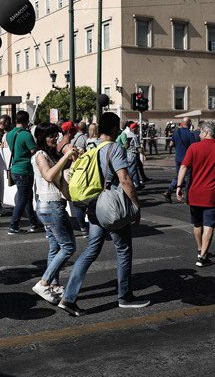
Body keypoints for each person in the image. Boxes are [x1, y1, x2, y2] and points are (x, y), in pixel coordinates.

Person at [59, 112, 148, 316]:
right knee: (123, 249)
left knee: (91, 249)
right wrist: (136, 206)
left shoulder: (91, 146)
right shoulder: (114, 147)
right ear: (116, 129)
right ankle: (125, 297)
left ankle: (68, 297)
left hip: (93, 205)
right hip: (110, 206)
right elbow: (124, 179)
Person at [31, 122, 79, 304]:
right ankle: (44, 283)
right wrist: (66, 156)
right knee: (68, 247)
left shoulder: (51, 154)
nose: (54, 139)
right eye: (51, 136)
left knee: (55, 247)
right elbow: (49, 176)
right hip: (50, 206)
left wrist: (72, 158)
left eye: (55, 135)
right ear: (42, 138)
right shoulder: (40, 155)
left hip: (51, 205)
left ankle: (53, 286)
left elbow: (61, 175)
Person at [175, 122, 215, 267]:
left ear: (207, 133)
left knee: (197, 223)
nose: (199, 135)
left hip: (194, 192)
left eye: (201, 132)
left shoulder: (194, 148)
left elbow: (183, 167)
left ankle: (200, 249)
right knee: (209, 225)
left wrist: (179, 186)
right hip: (212, 193)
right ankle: (202, 256)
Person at [6, 110, 42, 235]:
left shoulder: (9, 134)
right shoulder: (26, 134)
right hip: (24, 169)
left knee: (27, 197)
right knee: (22, 199)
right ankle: (13, 225)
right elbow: (33, 150)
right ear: (27, 121)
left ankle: (34, 223)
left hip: (15, 169)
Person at [164, 117, 199, 203]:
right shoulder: (190, 134)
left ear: (182, 123)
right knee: (188, 178)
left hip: (178, 158)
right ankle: (187, 197)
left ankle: (169, 191)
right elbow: (194, 148)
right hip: (187, 159)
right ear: (190, 124)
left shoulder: (176, 132)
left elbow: (171, 144)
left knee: (178, 176)